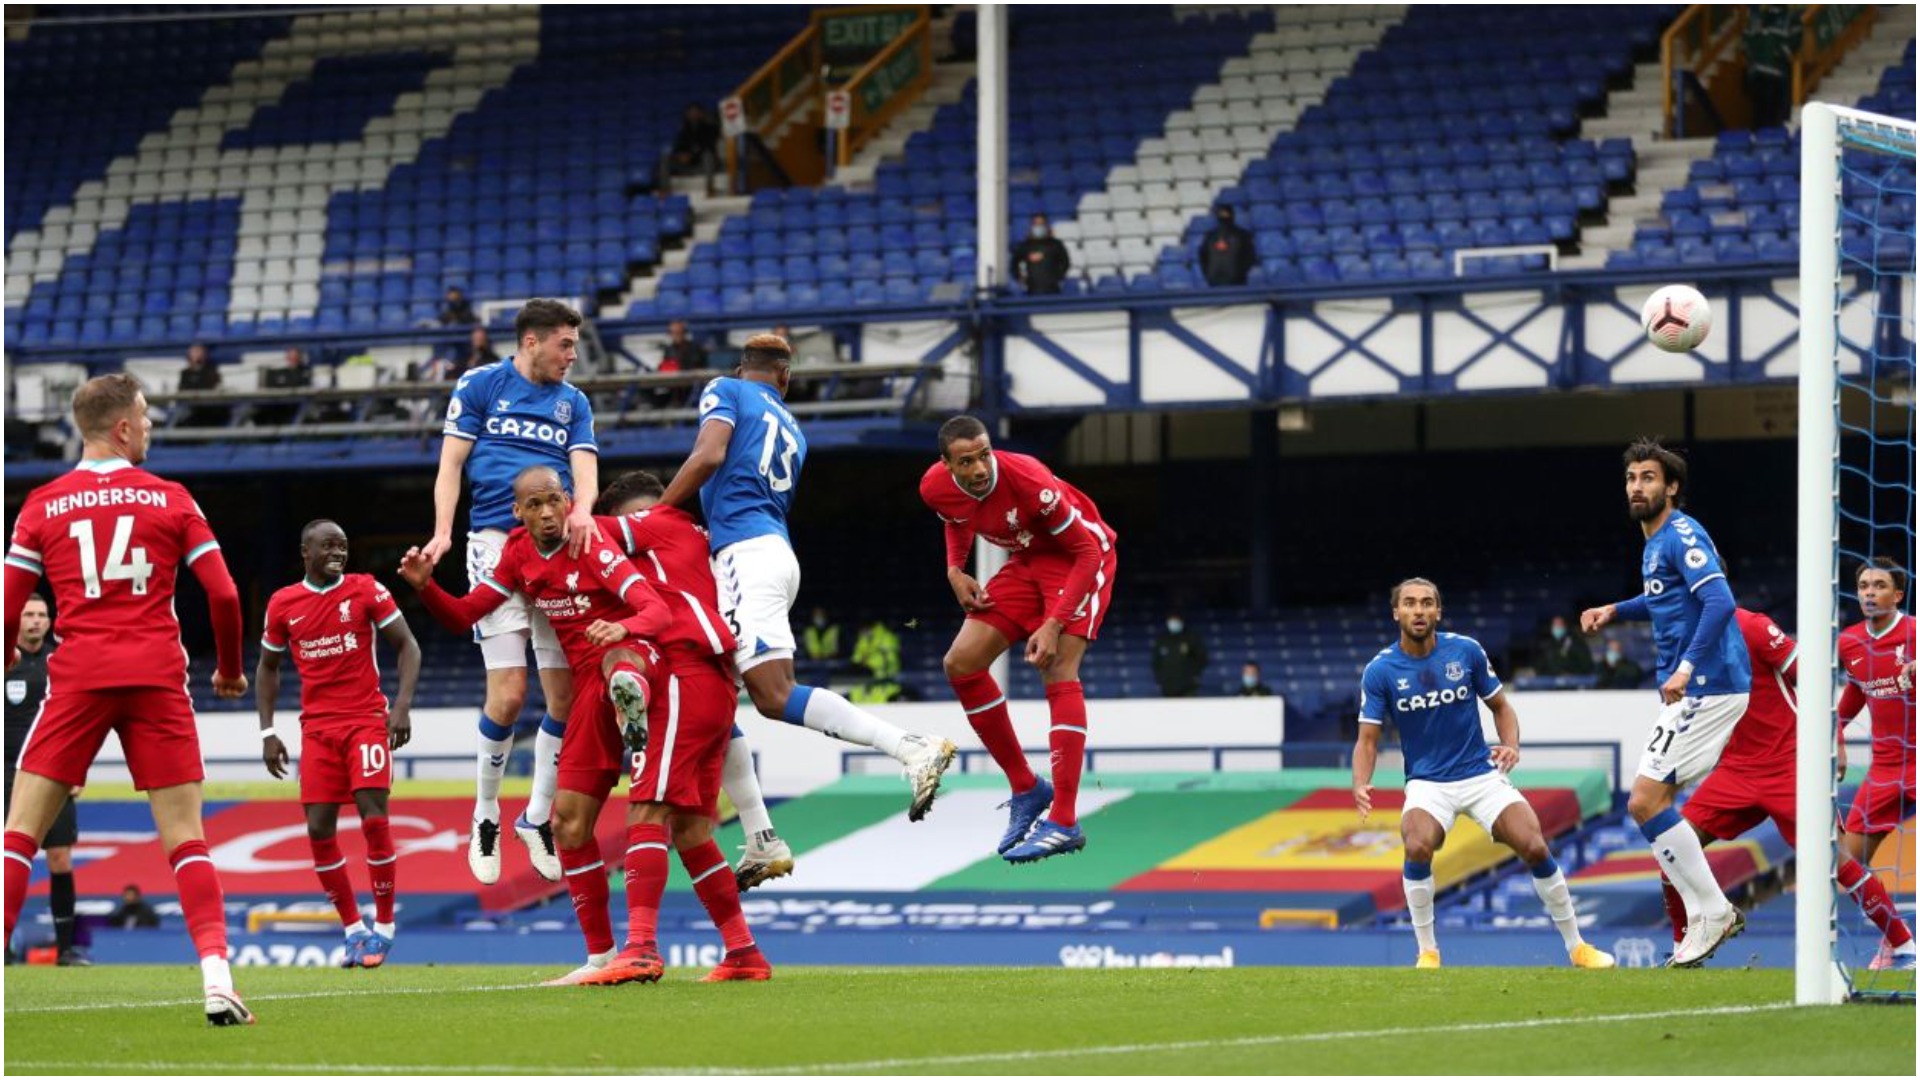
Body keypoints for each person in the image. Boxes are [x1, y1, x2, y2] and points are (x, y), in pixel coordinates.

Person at [401, 467, 770, 984]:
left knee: (639, 750)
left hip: (645, 657)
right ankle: (612, 955)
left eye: (555, 501)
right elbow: (465, 616)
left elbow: (654, 613)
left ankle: (641, 948)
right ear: (519, 512)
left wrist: (622, 627)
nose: (548, 513)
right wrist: (425, 589)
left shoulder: (593, 541)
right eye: (536, 505)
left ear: (570, 502)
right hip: (587, 688)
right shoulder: (517, 555)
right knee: (568, 823)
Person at [2, 372, 253, 1025]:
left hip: (78, 678)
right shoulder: (170, 498)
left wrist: (7, 654)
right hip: (155, 679)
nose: (149, 426)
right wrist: (228, 670)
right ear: (121, 428)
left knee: (19, 835)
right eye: (144, 416)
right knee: (185, 840)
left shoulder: (40, 504)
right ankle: (218, 979)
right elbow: (224, 595)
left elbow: (8, 603)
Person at [659, 334, 956, 821]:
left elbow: (709, 455)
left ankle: (909, 746)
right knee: (716, 687)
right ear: (785, 378)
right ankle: (760, 837)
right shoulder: (795, 428)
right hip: (774, 551)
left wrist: (656, 514)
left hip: (743, 556)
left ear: (741, 369)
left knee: (773, 696)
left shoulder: (725, 390)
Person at [422, 299, 600, 887]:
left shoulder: (573, 403)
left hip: (557, 552)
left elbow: (585, 470)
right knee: (508, 693)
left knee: (565, 699)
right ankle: (484, 816)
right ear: (532, 342)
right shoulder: (480, 386)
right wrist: (445, 531)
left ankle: (536, 817)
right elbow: (451, 466)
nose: (572, 356)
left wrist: (586, 515)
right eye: (565, 345)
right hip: (496, 544)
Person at [1353, 578, 1614, 970]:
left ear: (1438, 611)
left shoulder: (1467, 651)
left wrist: (1511, 745)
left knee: (1535, 846)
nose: (1419, 610)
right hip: (1428, 784)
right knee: (1417, 845)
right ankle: (1427, 951)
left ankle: (1578, 948)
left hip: (1480, 775)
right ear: (1397, 613)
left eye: (1427, 603)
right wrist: (1360, 781)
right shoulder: (1380, 671)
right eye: (1410, 603)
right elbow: (1367, 740)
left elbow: (1502, 708)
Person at [1656, 608, 1915, 969]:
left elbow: (1812, 678)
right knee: (1671, 846)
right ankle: (1686, 947)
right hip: (1736, 767)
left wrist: (1833, 739)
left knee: (1835, 860)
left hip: (1788, 762)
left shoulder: (1754, 626)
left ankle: (1902, 944)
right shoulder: (1685, 637)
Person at [1580, 438, 1751, 968]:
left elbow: (1720, 599)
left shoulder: (1681, 532)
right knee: (1647, 804)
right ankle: (1705, 913)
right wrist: (1614, 607)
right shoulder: (1654, 543)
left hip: (1709, 684)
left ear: (1671, 487)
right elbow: (1660, 599)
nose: (1637, 486)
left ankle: (1715, 908)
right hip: (1695, 688)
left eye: (1649, 477)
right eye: (1631, 478)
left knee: (1644, 801)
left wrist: (1686, 667)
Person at [922, 416, 1119, 862]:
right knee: (961, 663)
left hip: (1079, 560)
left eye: (984, 455)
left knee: (1057, 666)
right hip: (1028, 559)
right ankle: (1026, 787)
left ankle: (1065, 820)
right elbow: (956, 518)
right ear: (947, 465)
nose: (978, 469)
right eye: (966, 461)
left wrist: (1052, 624)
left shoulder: (1028, 477)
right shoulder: (935, 486)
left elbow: (1087, 551)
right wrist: (955, 570)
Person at [595, 469, 792, 892]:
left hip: (685, 664)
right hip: (722, 662)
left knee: (647, 809)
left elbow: (577, 530)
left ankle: (641, 946)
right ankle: (745, 939)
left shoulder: (654, 535)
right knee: (692, 830)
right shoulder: (700, 536)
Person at [256, 520, 422, 969]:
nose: (338, 552)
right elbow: (267, 668)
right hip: (317, 731)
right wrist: (268, 731)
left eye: (344, 546)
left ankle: (384, 925)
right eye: (328, 545)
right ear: (304, 551)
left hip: (366, 721)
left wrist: (401, 707)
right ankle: (353, 929)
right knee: (318, 828)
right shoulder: (283, 603)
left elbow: (408, 646)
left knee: (373, 816)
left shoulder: (366, 590)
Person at [1837, 557, 1917, 968]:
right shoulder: (1850, 642)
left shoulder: (1916, 633)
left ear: (1897, 594)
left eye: (1879, 585)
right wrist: (1836, 737)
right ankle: (1898, 941)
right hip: (1885, 769)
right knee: (1844, 862)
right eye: (1864, 585)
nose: (1869, 592)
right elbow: (1850, 699)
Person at [4, 594, 85, 966]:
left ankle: (65, 948)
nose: (35, 621)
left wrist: (78, 768)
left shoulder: (61, 661)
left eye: (41, 615)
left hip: (54, 770)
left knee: (59, 859)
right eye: (28, 615)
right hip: (6, 774)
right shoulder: (6, 661)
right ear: (15, 620)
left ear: (50, 621)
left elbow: (83, 720)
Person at [1743, 5, 1797, 129]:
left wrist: (1778, 54)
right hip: (1758, 75)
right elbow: (1746, 41)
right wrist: (1753, 59)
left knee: (1775, 117)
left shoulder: (1789, 18)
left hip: (1777, 75)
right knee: (1759, 116)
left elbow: (1794, 42)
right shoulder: (1756, 18)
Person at [668, 103, 721, 194]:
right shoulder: (684, 131)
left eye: (696, 112)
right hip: (686, 166)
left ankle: (710, 186)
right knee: (665, 158)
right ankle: (664, 189)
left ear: (701, 113)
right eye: (691, 112)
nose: (693, 115)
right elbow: (677, 148)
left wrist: (692, 155)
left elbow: (709, 146)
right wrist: (680, 156)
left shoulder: (710, 129)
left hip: (702, 165)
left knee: (708, 156)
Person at [1198, 205, 1256, 287]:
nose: (1224, 217)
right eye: (1222, 214)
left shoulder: (1242, 235)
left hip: (1237, 282)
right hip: (1215, 281)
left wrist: (1241, 273)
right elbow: (1203, 256)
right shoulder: (1210, 236)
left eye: (1226, 214)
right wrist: (1208, 275)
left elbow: (1250, 256)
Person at [1012, 214, 1070, 296]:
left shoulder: (1055, 244)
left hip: (1053, 290)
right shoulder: (1025, 246)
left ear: (1046, 226)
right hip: (1032, 290)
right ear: (1032, 226)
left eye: (1041, 224)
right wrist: (1020, 278)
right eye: (1036, 224)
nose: (1039, 227)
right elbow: (1014, 264)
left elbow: (1065, 263)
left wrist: (1058, 277)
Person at [1152, 613, 1207, 697]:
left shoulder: (1191, 638)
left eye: (1176, 620)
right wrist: (1161, 679)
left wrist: (1193, 675)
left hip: (1188, 686)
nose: (1173, 623)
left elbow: (1202, 658)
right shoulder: (1162, 640)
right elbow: (1155, 662)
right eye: (1171, 620)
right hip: (1168, 687)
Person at [176, 342, 224, 427]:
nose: (196, 354)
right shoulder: (185, 373)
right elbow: (182, 390)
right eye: (194, 352)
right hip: (189, 406)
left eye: (198, 351)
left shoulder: (211, 372)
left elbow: (210, 389)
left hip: (206, 408)